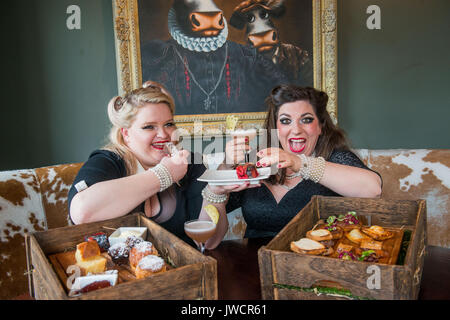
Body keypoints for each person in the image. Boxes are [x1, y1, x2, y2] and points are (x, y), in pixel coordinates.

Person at [207, 85, 382, 238]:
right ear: (275, 128)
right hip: (254, 265)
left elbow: (373, 189)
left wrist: (299, 162)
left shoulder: (335, 158)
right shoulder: (255, 163)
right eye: (285, 121)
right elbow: (209, 240)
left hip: (315, 264)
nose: (296, 129)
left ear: (320, 126)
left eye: (306, 120)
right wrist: (223, 173)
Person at [68, 81, 227, 249]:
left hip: (182, 271)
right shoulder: (109, 161)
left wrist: (215, 192)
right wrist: (164, 175)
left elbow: (207, 243)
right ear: (126, 134)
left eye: (169, 124)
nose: (163, 134)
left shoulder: (189, 164)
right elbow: (82, 212)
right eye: (149, 127)